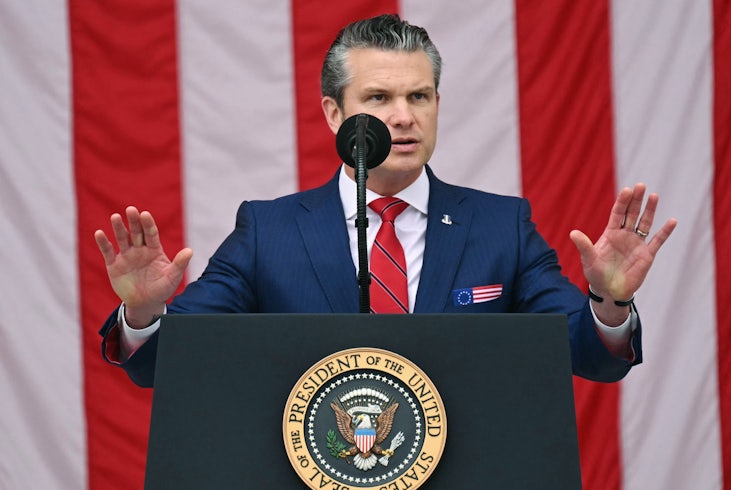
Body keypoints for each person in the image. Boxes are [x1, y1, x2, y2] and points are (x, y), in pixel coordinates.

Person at [95, 14, 677, 388]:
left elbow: (590, 357)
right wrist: (144, 315)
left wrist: (608, 302)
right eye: (378, 97)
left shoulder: (501, 226)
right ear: (333, 113)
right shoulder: (268, 231)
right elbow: (162, 365)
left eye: (418, 96)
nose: (402, 116)